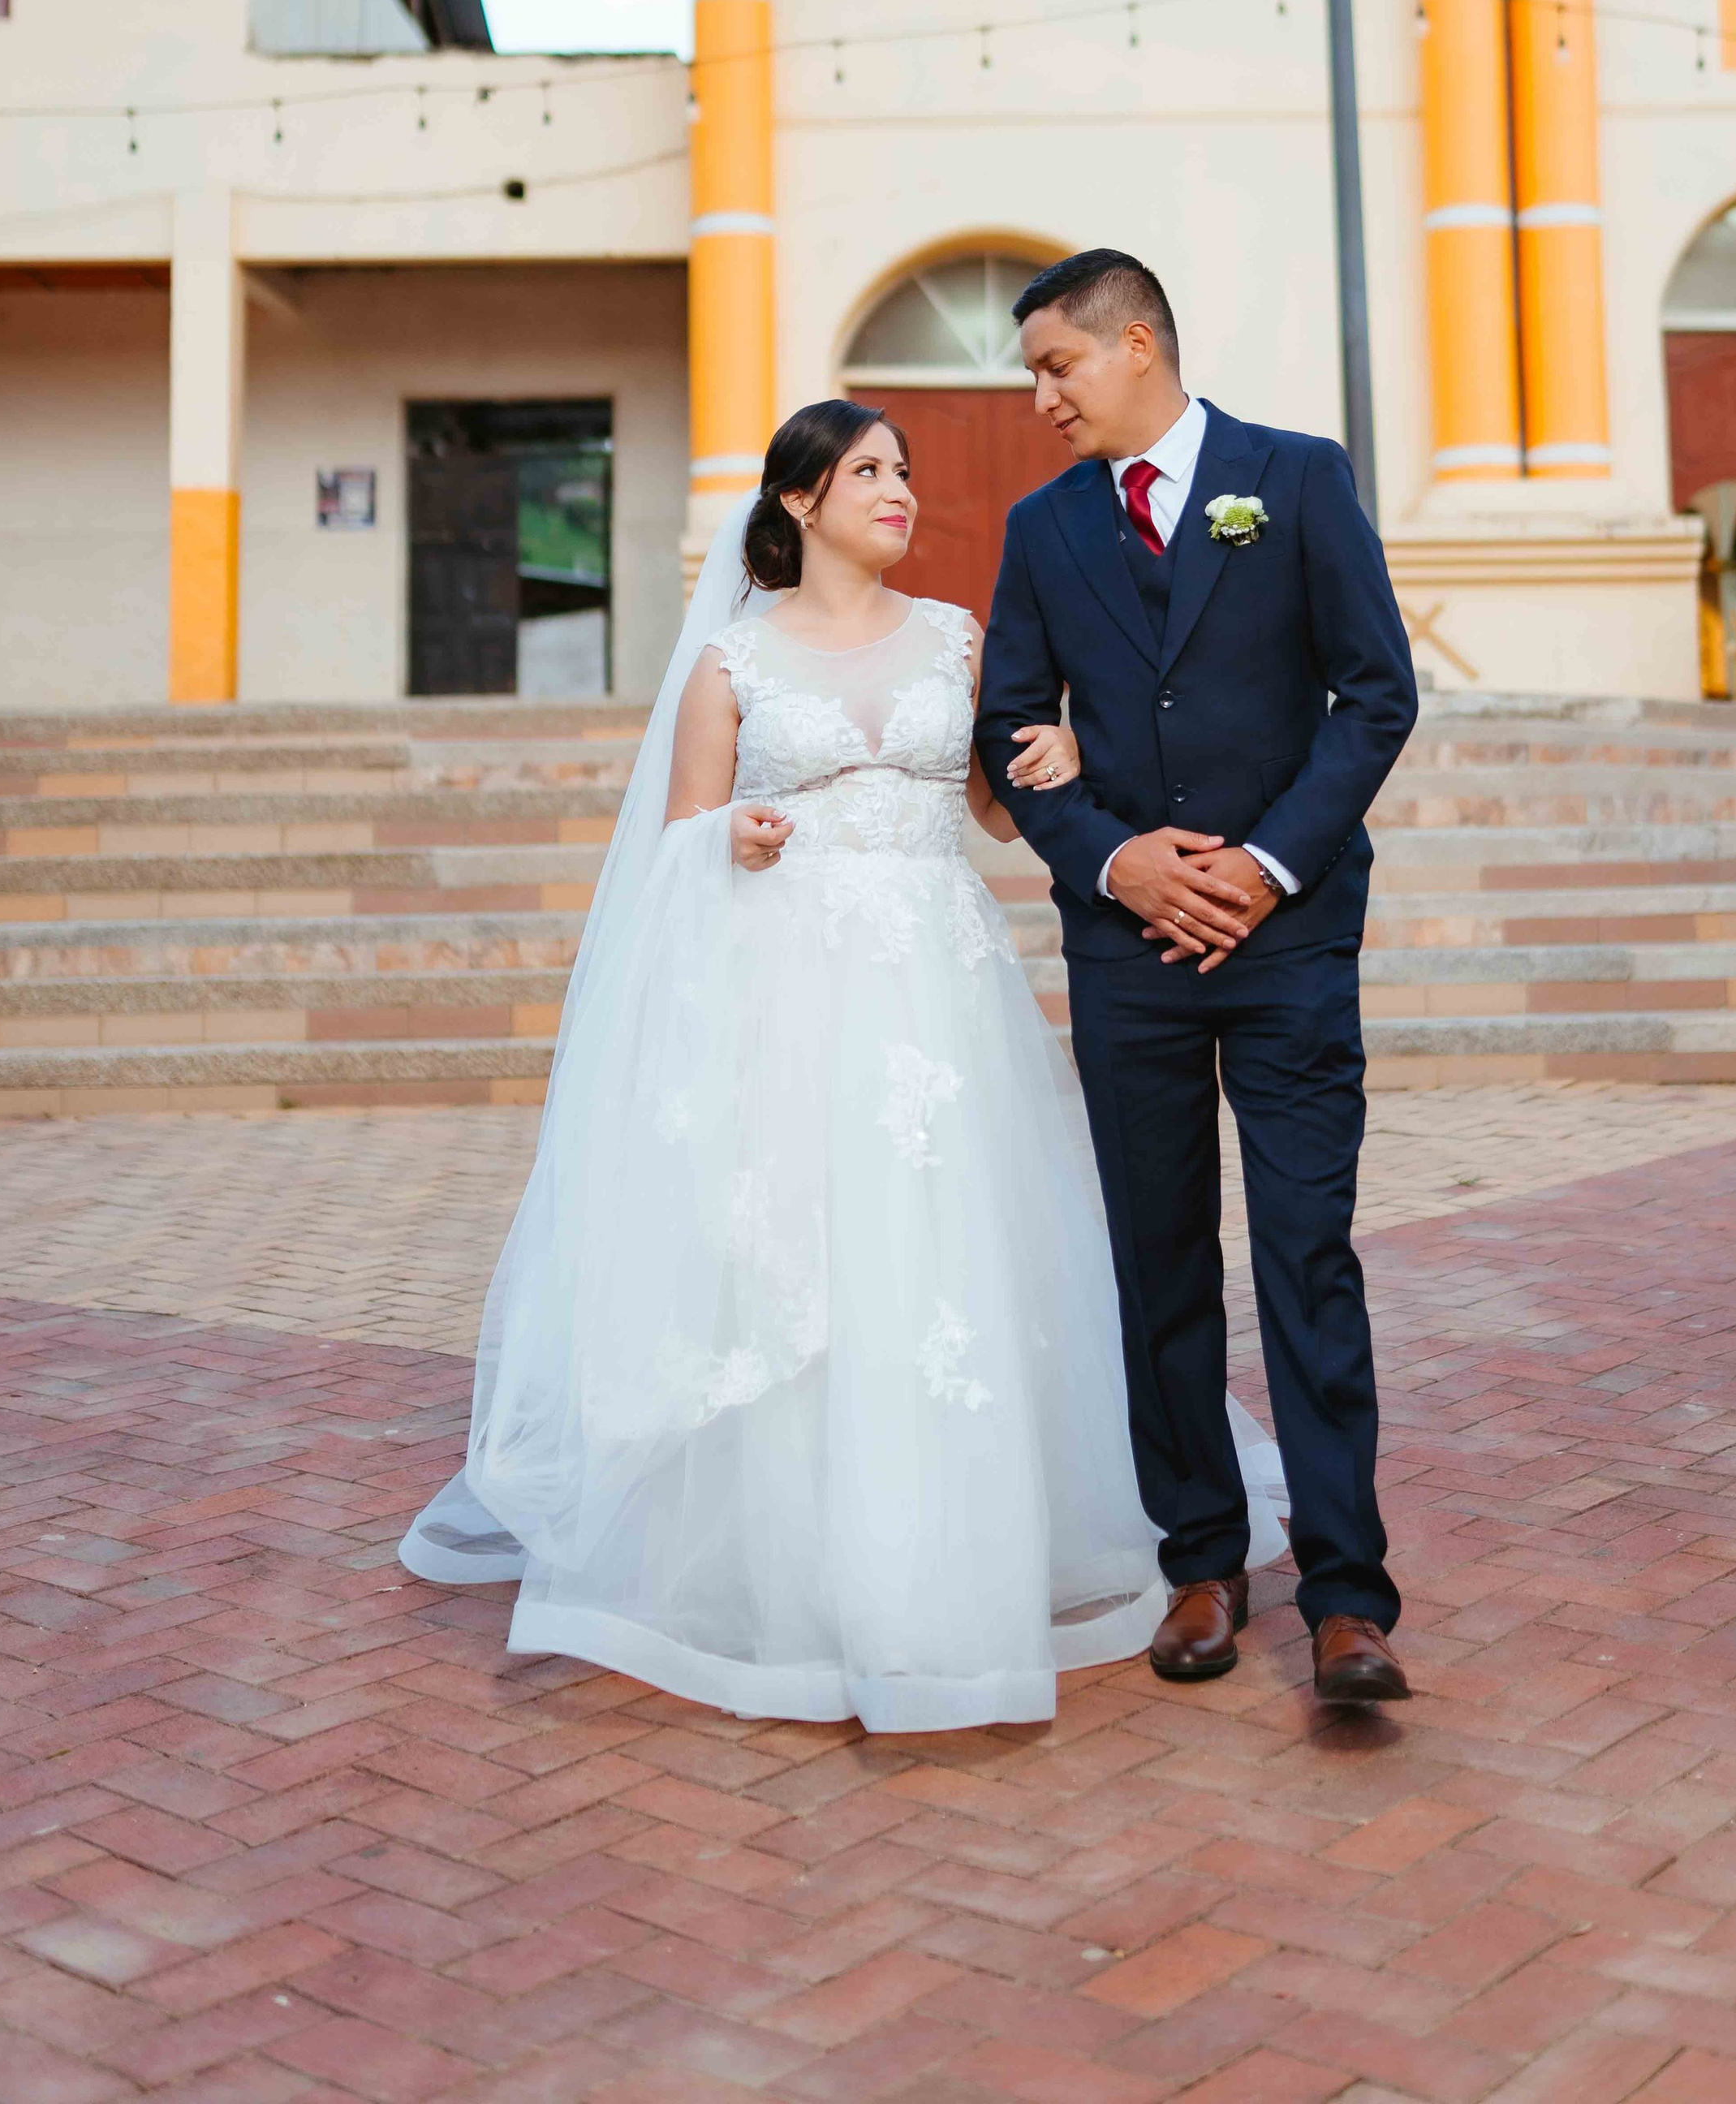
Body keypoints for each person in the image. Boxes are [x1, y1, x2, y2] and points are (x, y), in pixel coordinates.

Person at [400, 397, 1285, 1731]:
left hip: (941, 992)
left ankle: (954, 1562)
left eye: (906, 471)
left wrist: (1063, 753)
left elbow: (989, 807)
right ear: (801, 500)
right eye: (868, 470)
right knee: (806, 1257)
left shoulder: (955, 638)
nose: (899, 489)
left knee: (945, 1257)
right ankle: (797, 1578)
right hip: (790, 991)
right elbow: (677, 840)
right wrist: (733, 841)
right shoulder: (732, 664)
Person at [975, 249, 1419, 1709]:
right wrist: (1120, 864)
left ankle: (1348, 1597)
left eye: (1058, 366)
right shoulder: (1043, 532)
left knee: (1306, 1255)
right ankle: (1202, 1566)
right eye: (1035, 373)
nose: (1040, 396)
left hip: (1287, 944)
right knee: (1157, 1262)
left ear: (1139, 344)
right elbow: (1009, 732)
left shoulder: (1295, 479)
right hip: (1129, 957)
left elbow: (1374, 694)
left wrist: (1264, 865)